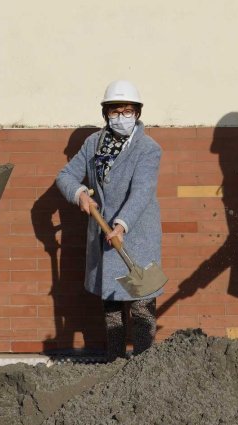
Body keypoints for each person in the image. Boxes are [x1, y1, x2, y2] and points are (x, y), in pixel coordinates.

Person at [56, 80, 163, 362]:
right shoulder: (93, 144)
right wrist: (79, 193)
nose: (121, 117)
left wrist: (122, 224)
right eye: (115, 111)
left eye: (127, 111)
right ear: (106, 114)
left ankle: (143, 364)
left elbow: (143, 190)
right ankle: (114, 362)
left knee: (141, 306)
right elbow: (65, 176)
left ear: (138, 113)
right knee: (112, 307)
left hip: (137, 235)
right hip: (103, 236)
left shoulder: (148, 148)